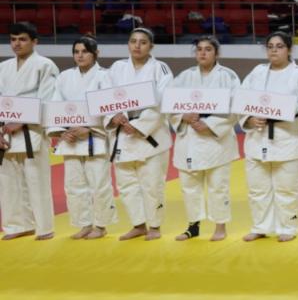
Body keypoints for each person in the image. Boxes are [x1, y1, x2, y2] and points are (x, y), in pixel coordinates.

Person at [240, 32, 298, 242]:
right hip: (258, 136)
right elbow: (242, 99)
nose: (274, 49)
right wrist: (249, 119)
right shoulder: (257, 72)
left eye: (279, 46)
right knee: (257, 188)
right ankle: (260, 226)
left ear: (289, 49)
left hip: (289, 137)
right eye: (270, 46)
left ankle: (288, 228)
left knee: (287, 188)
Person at [169, 36, 241, 242]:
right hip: (189, 136)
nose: (202, 53)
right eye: (199, 49)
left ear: (216, 53)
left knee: (218, 185)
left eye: (208, 49)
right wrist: (182, 116)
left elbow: (235, 107)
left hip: (215, 139)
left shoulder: (228, 76)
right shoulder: (183, 77)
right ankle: (193, 226)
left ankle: (220, 226)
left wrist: (210, 124)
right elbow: (170, 104)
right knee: (189, 185)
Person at [107, 28, 173, 241]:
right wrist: (114, 115)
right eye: (133, 41)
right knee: (126, 186)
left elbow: (163, 101)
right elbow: (105, 95)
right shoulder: (117, 68)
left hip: (149, 137)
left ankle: (155, 225)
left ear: (151, 46)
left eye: (143, 42)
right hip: (123, 134)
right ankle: (138, 224)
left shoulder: (160, 69)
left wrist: (140, 126)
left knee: (152, 184)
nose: (137, 45)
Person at [50, 37, 115, 239]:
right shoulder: (64, 77)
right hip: (70, 139)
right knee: (74, 184)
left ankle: (101, 225)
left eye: (84, 51)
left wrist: (89, 127)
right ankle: (84, 224)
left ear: (95, 53)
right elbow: (56, 104)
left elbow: (110, 106)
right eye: (76, 51)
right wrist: (62, 130)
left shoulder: (106, 76)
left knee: (99, 184)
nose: (80, 55)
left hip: (95, 137)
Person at [0, 22, 59, 240]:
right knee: (8, 182)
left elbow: (47, 98)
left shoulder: (45, 65)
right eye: (13, 39)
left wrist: (22, 120)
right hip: (6, 130)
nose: (17, 43)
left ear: (35, 42)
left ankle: (44, 227)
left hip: (32, 131)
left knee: (36, 179)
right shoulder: (3, 67)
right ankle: (17, 225)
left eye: (22, 39)